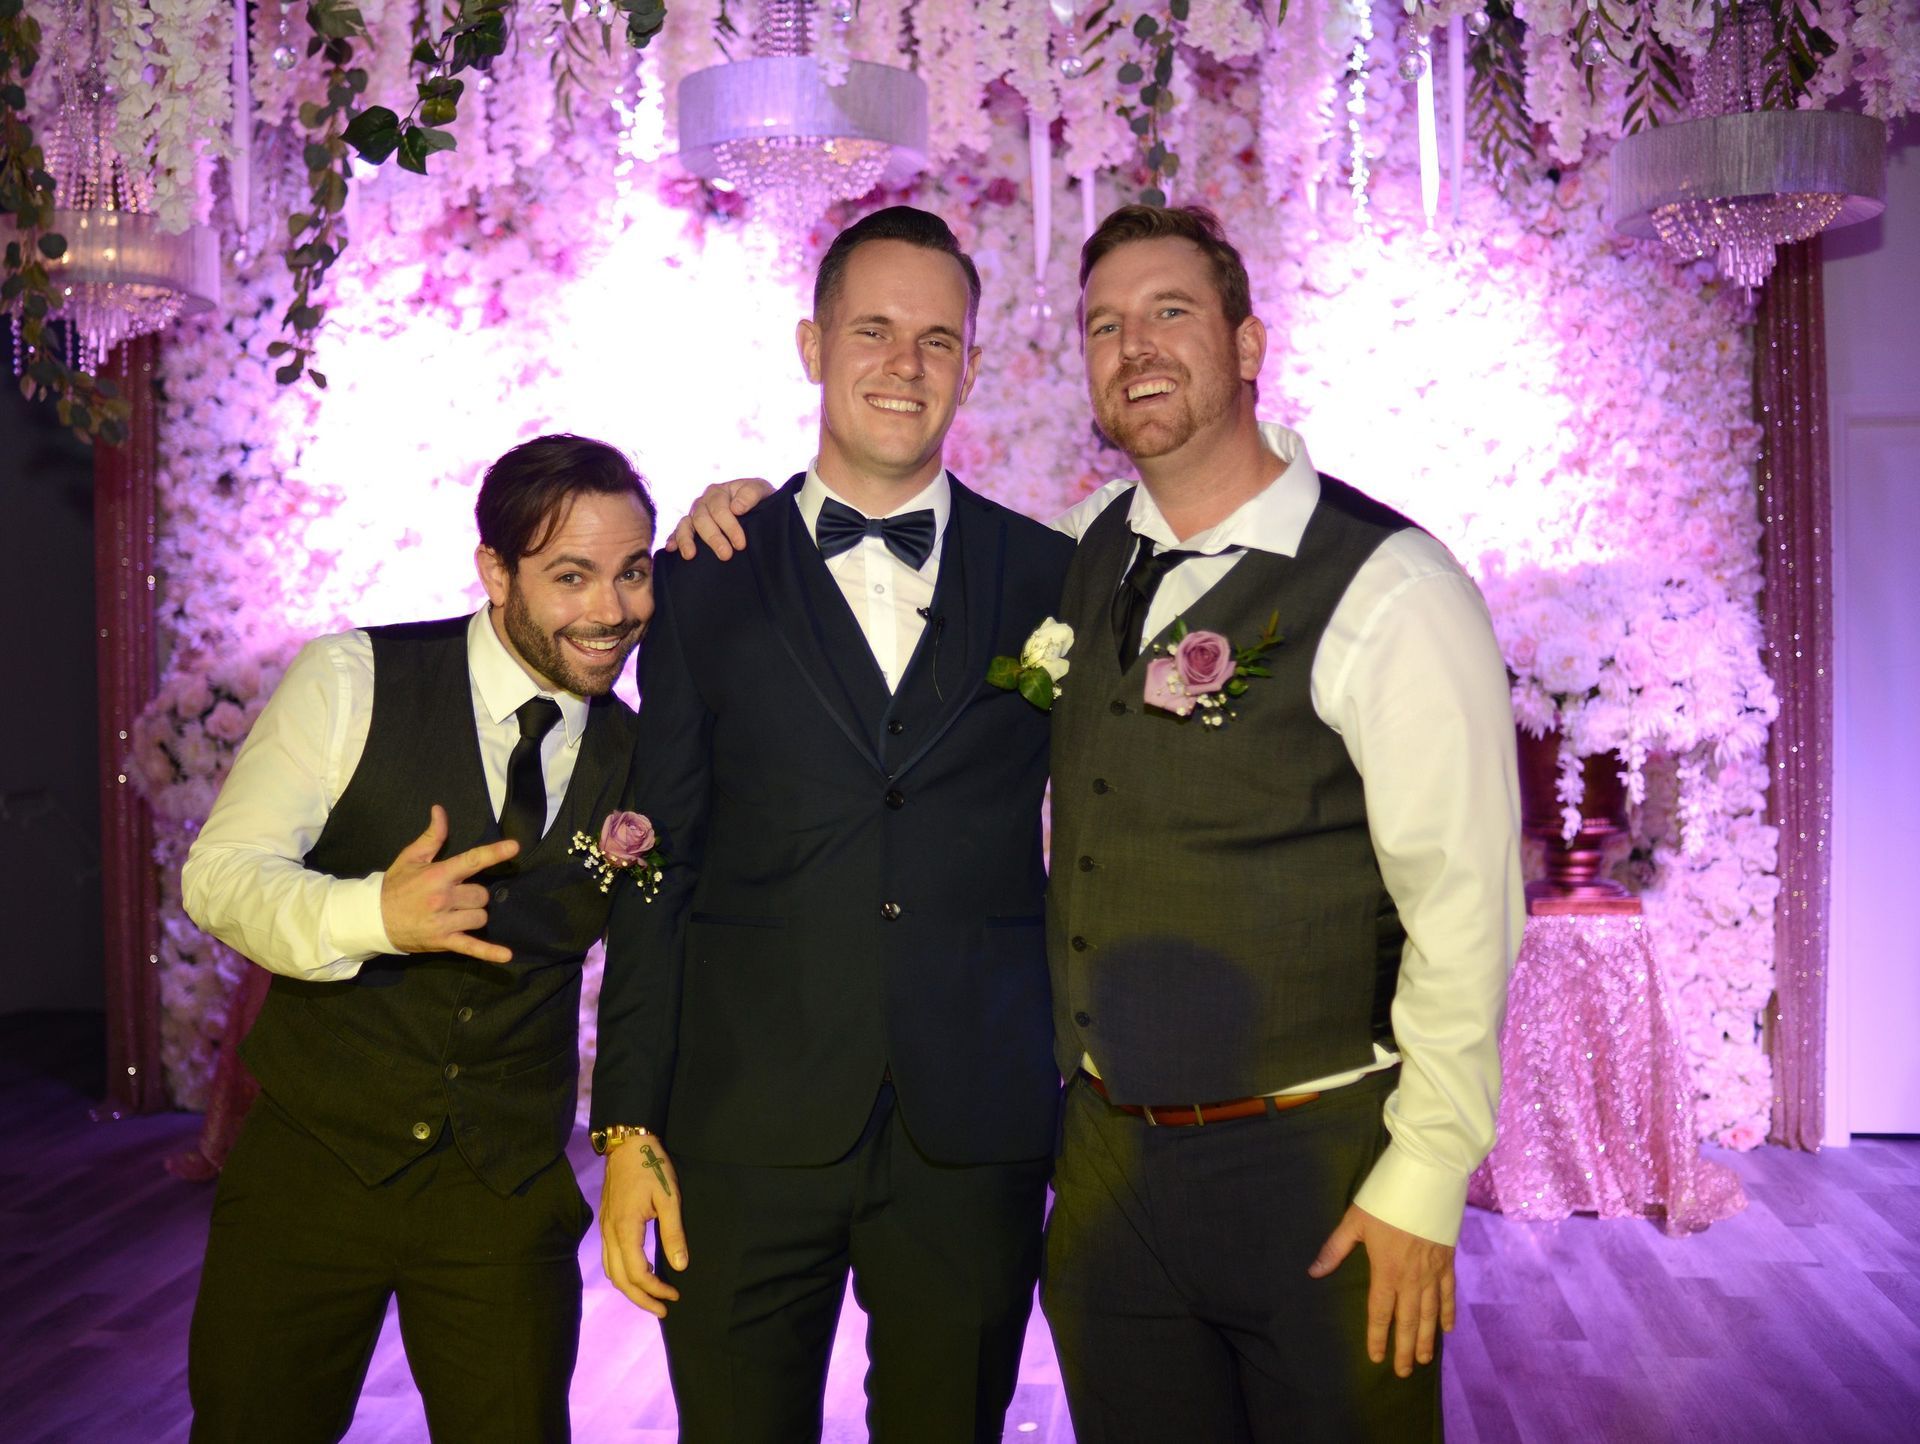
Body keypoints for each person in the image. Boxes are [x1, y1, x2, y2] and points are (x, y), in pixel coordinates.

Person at [673, 203, 1521, 1441]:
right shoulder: (1065, 562)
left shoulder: (1391, 586)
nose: (1137, 347)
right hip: (1106, 1169)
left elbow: (1469, 909)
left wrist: (1428, 1175)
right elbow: (889, 551)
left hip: (1316, 1164)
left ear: (1249, 342)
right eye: (1104, 324)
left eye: (1172, 311)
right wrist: (756, 514)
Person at [590, 205, 1073, 1444]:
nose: (902, 365)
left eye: (935, 339)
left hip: (973, 1131)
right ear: (812, 344)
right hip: (743, 1126)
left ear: (972, 363)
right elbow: (661, 855)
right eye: (872, 329)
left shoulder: (1052, 575)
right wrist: (629, 1122)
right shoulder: (701, 571)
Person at [180, 434, 657, 1444]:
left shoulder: (638, 754)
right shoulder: (351, 677)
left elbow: (660, 971)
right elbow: (219, 876)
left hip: (505, 1194)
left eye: (631, 571)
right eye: (572, 577)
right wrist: (375, 917)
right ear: (495, 570)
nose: (611, 611)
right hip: (312, 1171)